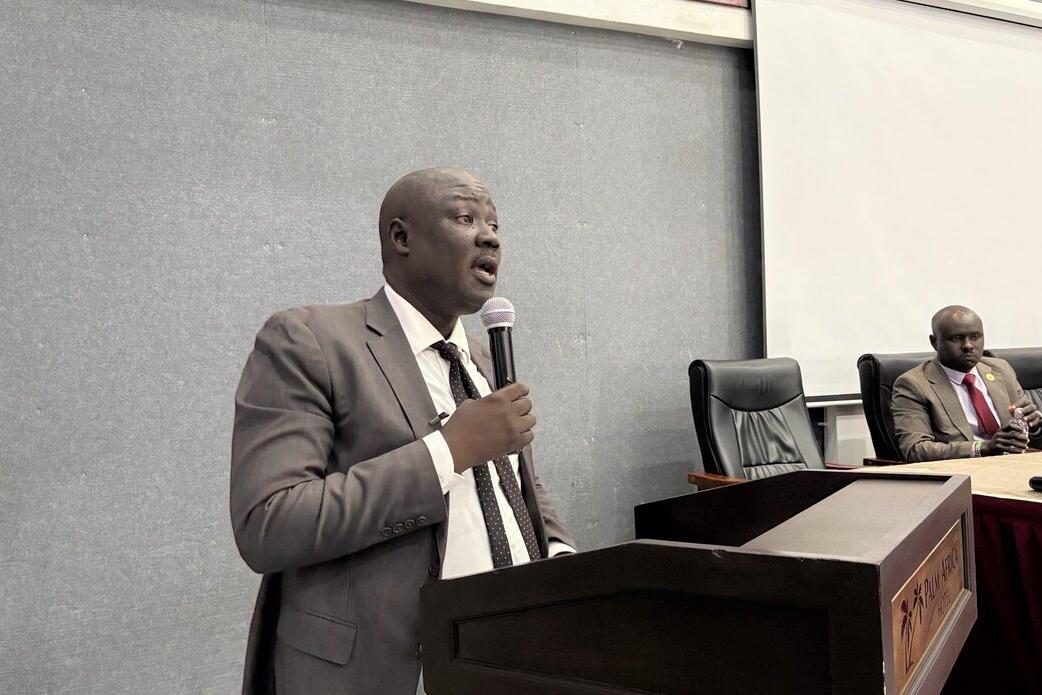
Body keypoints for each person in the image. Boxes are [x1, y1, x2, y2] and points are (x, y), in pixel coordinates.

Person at [230, 167, 576, 695]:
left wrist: (558, 553)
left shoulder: (482, 356)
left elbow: (516, 485)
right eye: (466, 218)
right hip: (383, 671)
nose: (491, 235)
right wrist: (448, 451)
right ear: (401, 237)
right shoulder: (311, 341)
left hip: (506, 658)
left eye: (495, 223)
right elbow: (270, 523)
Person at [891, 305, 1042, 462]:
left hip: (1015, 465)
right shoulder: (914, 385)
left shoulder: (1001, 370)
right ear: (934, 342)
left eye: (975, 337)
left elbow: (1030, 439)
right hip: (963, 475)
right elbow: (916, 450)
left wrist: (1035, 427)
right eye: (956, 339)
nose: (968, 346)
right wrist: (984, 448)